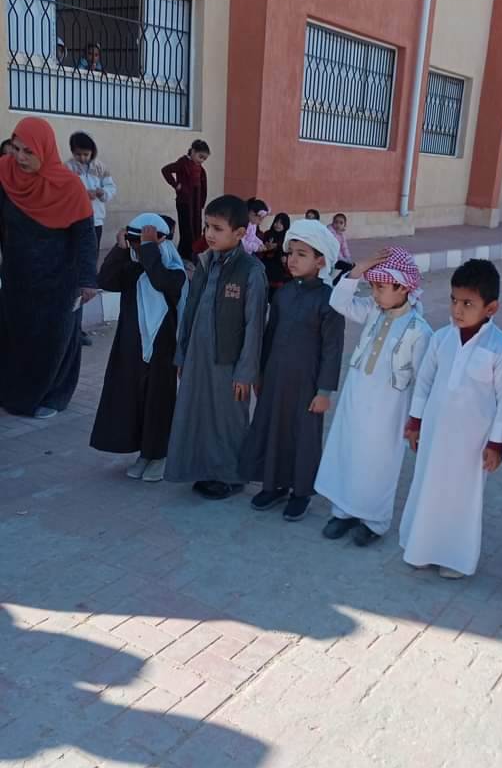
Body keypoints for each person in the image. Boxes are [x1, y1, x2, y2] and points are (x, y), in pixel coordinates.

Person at [399, 259, 502, 579]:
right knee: (427, 486)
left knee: (461, 497)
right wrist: (415, 423)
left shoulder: (501, 349)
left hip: (472, 442)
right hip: (435, 434)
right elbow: (424, 383)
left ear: (491, 308)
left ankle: (454, 559)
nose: (457, 310)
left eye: (468, 303)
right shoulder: (441, 338)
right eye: (454, 300)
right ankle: (421, 548)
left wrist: (496, 445)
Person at [315, 247, 432, 546]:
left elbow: (423, 382)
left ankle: (374, 522)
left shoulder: (420, 331)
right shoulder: (372, 310)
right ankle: (342, 512)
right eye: (374, 286)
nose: (375, 293)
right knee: (349, 452)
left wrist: (416, 420)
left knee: (379, 464)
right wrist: (357, 270)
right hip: (356, 399)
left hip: (389, 410)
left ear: (403, 287)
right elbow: (338, 301)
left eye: (381, 287)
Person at [164, 195, 267, 499]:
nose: (209, 234)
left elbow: (254, 327)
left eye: (218, 228)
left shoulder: (251, 271)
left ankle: (231, 476)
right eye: (207, 226)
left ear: (239, 233)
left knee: (228, 419)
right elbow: (190, 311)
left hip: (229, 362)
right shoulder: (205, 263)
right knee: (197, 413)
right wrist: (182, 354)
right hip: (198, 356)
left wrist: (246, 373)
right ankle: (204, 469)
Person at [242, 219, 345, 522]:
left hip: (307, 383)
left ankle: (301, 492)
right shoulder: (283, 294)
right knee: (273, 429)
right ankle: (273, 485)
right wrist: (260, 373)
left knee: (303, 436)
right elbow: (270, 334)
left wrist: (324, 391)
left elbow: (333, 349)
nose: (292, 260)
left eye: (302, 254)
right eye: (290, 253)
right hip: (276, 378)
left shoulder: (330, 300)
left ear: (321, 260)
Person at [0, 117, 96, 419]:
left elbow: (85, 236)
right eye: (16, 148)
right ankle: (14, 395)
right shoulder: (4, 174)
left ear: (45, 149)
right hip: (17, 274)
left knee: (53, 341)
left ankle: (51, 396)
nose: (20, 157)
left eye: (28, 151)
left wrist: (87, 279)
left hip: (59, 279)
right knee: (15, 336)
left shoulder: (69, 187)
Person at [90, 214, 187, 482]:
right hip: (131, 349)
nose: (138, 250)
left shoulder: (175, 272)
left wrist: (148, 247)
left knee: (158, 401)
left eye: (142, 245)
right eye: (136, 245)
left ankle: (160, 454)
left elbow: (159, 280)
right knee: (134, 400)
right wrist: (120, 249)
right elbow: (106, 280)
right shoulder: (134, 271)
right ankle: (145, 453)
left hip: (163, 351)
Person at [65, 131, 117, 346]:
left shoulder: (100, 167)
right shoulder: (67, 168)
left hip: (95, 222)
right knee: (74, 273)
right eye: (79, 154)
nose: (82, 158)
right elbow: (64, 192)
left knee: (87, 273)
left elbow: (111, 188)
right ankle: (71, 328)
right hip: (75, 223)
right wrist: (81, 194)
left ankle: (78, 328)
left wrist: (102, 193)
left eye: (86, 154)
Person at [161, 140, 210, 263]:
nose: (201, 160)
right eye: (200, 156)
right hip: (185, 202)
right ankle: (186, 255)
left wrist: (201, 203)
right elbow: (165, 170)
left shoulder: (200, 168)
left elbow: (203, 186)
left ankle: (195, 253)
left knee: (196, 227)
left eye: (204, 159)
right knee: (187, 229)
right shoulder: (182, 163)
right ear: (192, 151)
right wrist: (176, 185)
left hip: (196, 203)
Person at [259, 211, 291, 299]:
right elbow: (260, 248)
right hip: (266, 265)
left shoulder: (287, 237)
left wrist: (277, 247)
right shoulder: (268, 234)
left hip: (280, 268)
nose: (277, 225)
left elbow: (288, 252)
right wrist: (266, 247)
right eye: (276, 222)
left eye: (281, 223)